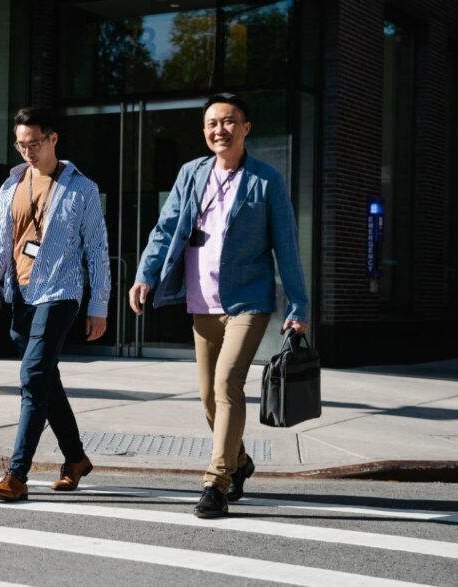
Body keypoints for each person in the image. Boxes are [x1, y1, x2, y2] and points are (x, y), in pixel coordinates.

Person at [128, 93, 309, 518]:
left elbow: (285, 244)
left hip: (248, 299)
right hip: (201, 301)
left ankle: (217, 481)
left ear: (246, 128)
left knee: (228, 384)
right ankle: (241, 459)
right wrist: (144, 274)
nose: (219, 130)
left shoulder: (265, 180)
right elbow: (166, 227)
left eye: (228, 122)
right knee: (209, 398)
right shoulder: (191, 173)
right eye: (211, 123)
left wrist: (298, 304)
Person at [0, 107, 111, 501]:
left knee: (32, 378)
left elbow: (97, 249)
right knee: (45, 379)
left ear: (53, 139)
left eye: (34, 143)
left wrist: (98, 304)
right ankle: (76, 459)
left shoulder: (81, 188)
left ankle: (16, 474)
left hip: (61, 292)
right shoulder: (11, 186)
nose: (27, 152)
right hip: (20, 293)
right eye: (21, 144)